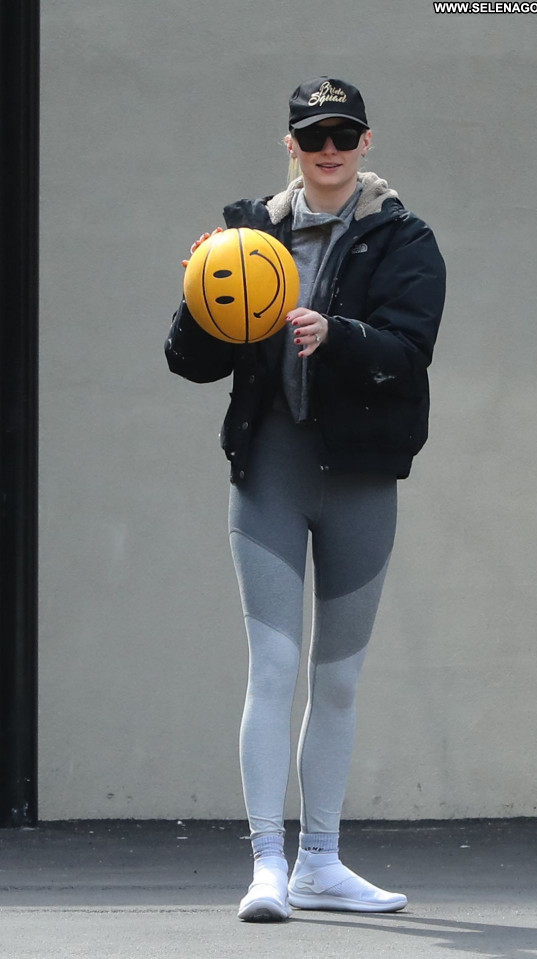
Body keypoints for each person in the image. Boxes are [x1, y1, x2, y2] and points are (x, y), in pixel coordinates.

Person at [165, 76, 446, 922]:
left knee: (339, 677)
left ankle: (321, 859)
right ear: (290, 144)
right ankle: (267, 865)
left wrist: (338, 334)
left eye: (343, 135)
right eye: (314, 136)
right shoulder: (247, 234)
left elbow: (409, 349)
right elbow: (189, 362)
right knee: (274, 667)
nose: (329, 150)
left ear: (366, 142)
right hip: (272, 472)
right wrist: (201, 298)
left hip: (359, 476)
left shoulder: (403, 237)